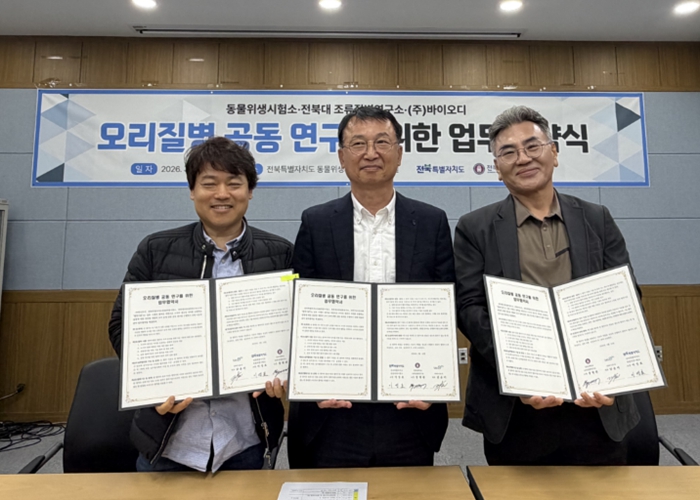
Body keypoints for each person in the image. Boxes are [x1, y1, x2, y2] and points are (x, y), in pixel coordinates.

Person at [454, 105, 641, 465]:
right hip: (517, 406)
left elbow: (626, 299)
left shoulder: (597, 218)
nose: (522, 158)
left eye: (532, 146)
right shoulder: (474, 227)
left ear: (554, 153)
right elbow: (470, 309)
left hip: (595, 402)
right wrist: (522, 372)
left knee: (602, 489)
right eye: (508, 152)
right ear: (497, 168)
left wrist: (611, 372)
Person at [108, 136, 292, 472]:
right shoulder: (156, 250)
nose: (222, 194)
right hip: (169, 439)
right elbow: (122, 326)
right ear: (192, 190)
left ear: (250, 191)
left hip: (245, 439)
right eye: (209, 183)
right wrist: (153, 382)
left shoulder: (280, 255)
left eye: (234, 183)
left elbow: (294, 330)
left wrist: (285, 370)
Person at [287, 106, 456, 468]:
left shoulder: (431, 222)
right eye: (358, 144)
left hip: (409, 405)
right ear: (341, 156)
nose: (370, 153)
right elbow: (301, 309)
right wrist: (313, 381)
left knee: (410, 493)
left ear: (399, 152)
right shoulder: (316, 222)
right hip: (334, 408)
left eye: (382, 142)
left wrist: (436, 380)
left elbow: (446, 308)